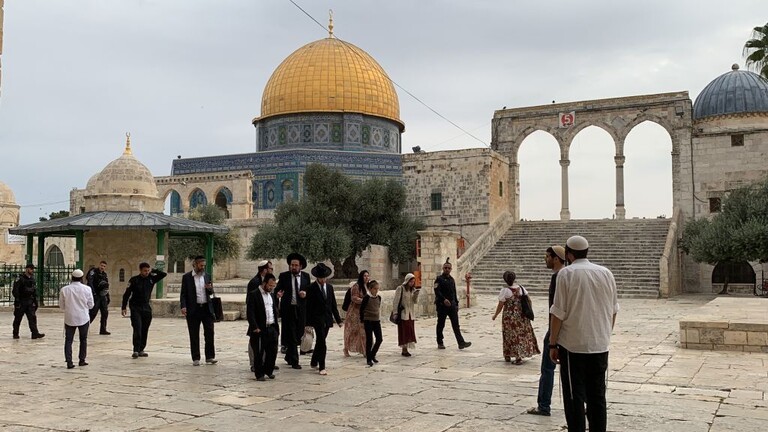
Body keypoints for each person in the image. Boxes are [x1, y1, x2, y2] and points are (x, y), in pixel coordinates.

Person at [550, 236, 619, 432]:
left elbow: (558, 314)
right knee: (597, 396)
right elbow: (613, 310)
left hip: (573, 346)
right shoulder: (606, 273)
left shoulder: (566, 274)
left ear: (568, 253)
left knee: (574, 397)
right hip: (600, 345)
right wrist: (604, 335)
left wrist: (553, 344)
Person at [528, 245, 566, 417]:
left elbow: (555, 309)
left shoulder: (558, 277)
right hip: (570, 330)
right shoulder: (568, 276)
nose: (545, 259)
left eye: (547, 256)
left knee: (548, 369)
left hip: (556, 330)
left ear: (556, 258)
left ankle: (544, 405)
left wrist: (552, 337)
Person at [491, 271, 539, 364]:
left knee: (509, 335)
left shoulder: (504, 291)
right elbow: (529, 300)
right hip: (521, 316)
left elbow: (500, 305)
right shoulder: (521, 288)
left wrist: (495, 315)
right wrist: (529, 311)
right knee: (520, 335)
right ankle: (519, 355)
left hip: (509, 317)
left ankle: (509, 355)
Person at [121, 263, 167, 359]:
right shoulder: (134, 280)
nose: (146, 272)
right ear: (140, 270)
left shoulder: (151, 279)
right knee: (137, 328)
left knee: (145, 329)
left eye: (148, 270)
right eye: (145, 271)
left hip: (146, 307)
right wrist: (123, 307)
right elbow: (127, 294)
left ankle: (141, 349)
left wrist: (154, 271)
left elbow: (163, 274)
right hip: (135, 307)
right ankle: (136, 350)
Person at [305, 263, 342, 375]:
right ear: (317, 277)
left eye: (324, 278)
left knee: (321, 341)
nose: (322, 280)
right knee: (322, 342)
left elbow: (333, 304)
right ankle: (322, 366)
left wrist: (338, 319)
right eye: (320, 278)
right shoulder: (311, 288)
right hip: (317, 319)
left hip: (327, 318)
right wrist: (307, 323)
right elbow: (308, 307)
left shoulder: (330, 288)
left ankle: (314, 360)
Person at [180, 256, 217, 366]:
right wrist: (183, 306)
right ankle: (196, 357)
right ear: (195, 265)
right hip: (193, 309)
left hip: (206, 309)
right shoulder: (187, 277)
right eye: (201, 265)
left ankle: (210, 356)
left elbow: (211, 293)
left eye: (204, 266)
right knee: (194, 334)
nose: (202, 268)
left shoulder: (207, 276)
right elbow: (183, 294)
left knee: (210, 333)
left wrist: (209, 288)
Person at [275, 252, 309, 369]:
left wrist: (305, 293)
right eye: (292, 265)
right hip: (288, 309)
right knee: (292, 334)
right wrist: (278, 294)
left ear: (300, 266)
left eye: (296, 265)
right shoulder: (284, 276)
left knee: (298, 334)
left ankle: (289, 356)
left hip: (301, 310)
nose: (293, 267)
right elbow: (277, 290)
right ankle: (295, 360)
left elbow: (308, 291)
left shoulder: (306, 277)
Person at [247, 273, 280, 381]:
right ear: (264, 283)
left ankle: (268, 370)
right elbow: (250, 313)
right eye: (270, 285)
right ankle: (259, 374)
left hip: (272, 327)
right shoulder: (254, 294)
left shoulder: (271, 295)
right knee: (259, 353)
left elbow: (274, 310)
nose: (271, 288)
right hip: (260, 328)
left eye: (273, 286)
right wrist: (254, 327)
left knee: (272, 351)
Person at [59, 269, 94, 369]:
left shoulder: (64, 289)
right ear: (82, 278)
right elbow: (91, 305)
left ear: (72, 277)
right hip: (83, 317)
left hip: (70, 317)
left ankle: (69, 361)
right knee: (83, 339)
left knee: (68, 340)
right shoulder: (87, 289)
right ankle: (82, 360)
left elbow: (61, 306)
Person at [434, 258, 471, 350]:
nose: (447, 269)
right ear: (443, 268)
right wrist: (443, 300)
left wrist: (456, 304)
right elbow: (437, 291)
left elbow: (454, 292)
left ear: (451, 269)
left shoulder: (452, 280)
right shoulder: (439, 279)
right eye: (445, 268)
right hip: (442, 306)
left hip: (452, 306)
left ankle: (461, 342)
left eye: (448, 268)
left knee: (456, 325)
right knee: (441, 324)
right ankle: (440, 341)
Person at [247, 260, 275, 372]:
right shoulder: (255, 282)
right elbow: (251, 304)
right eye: (270, 269)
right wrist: (254, 324)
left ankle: (266, 364)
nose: (272, 271)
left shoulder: (269, 282)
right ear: (264, 270)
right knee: (255, 343)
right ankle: (255, 363)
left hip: (267, 320)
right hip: (257, 320)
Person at [12, 263, 45, 339]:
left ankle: (35, 333)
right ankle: (15, 333)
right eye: (31, 269)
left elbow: (34, 290)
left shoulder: (32, 279)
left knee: (32, 318)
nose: (32, 270)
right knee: (18, 318)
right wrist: (17, 300)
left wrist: (35, 301)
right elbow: (15, 290)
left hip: (29, 301)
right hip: (21, 301)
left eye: (33, 269)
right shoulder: (20, 279)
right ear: (27, 269)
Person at [393, 273, 420, 356]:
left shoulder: (413, 290)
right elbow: (396, 301)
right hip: (403, 314)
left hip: (410, 314)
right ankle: (404, 349)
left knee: (409, 331)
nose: (412, 283)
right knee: (403, 331)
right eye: (410, 281)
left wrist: (415, 295)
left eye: (413, 282)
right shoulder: (400, 289)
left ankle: (407, 348)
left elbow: (415, 302)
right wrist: (395, 313)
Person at [343, 270, 369, 357]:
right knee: (351, 331)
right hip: (354, 312)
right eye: (365, 276)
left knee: (363, 332)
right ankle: (346, 348)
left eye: (367, 276)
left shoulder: (368, 286)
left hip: (364, 312)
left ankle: (364, 349)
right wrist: (364, 301)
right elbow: (354, 297)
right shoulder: (356, 286)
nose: (366, 278)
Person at [360, 280, 382, 367]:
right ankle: (369, 359)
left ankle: (373, 354)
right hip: (368, 320)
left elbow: (378, 306)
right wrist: (362, 320)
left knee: (379, 339)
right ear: (370, 289)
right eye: (375, 289)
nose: (376, 291)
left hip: (376, 320)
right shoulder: (366, 298)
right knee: (369, 340)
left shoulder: (379, 297)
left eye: (377, 289)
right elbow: (362, 309)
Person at [87, 261, 111, 335]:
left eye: (104, 266)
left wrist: (107, 296)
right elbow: (90, 282)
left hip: (102, 296)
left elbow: (106, 286)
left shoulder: (104, 274)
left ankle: (103, 329)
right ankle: (85, 326)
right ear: (99, 265)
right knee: (93, 312)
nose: (102, 267)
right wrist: (93, 293)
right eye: (101, 265)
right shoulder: (93, 271)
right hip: (96, 295)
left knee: (105, 313)